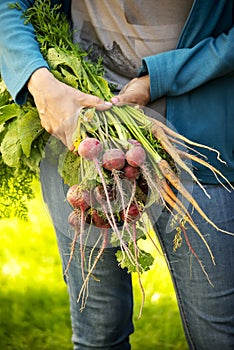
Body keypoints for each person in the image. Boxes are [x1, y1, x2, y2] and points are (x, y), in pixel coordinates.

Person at [1, 0, 234, 349]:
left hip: (197, 140)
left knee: (218, 333)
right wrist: (39, 80)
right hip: (81, 135)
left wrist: (163, 75)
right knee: (99, 331)